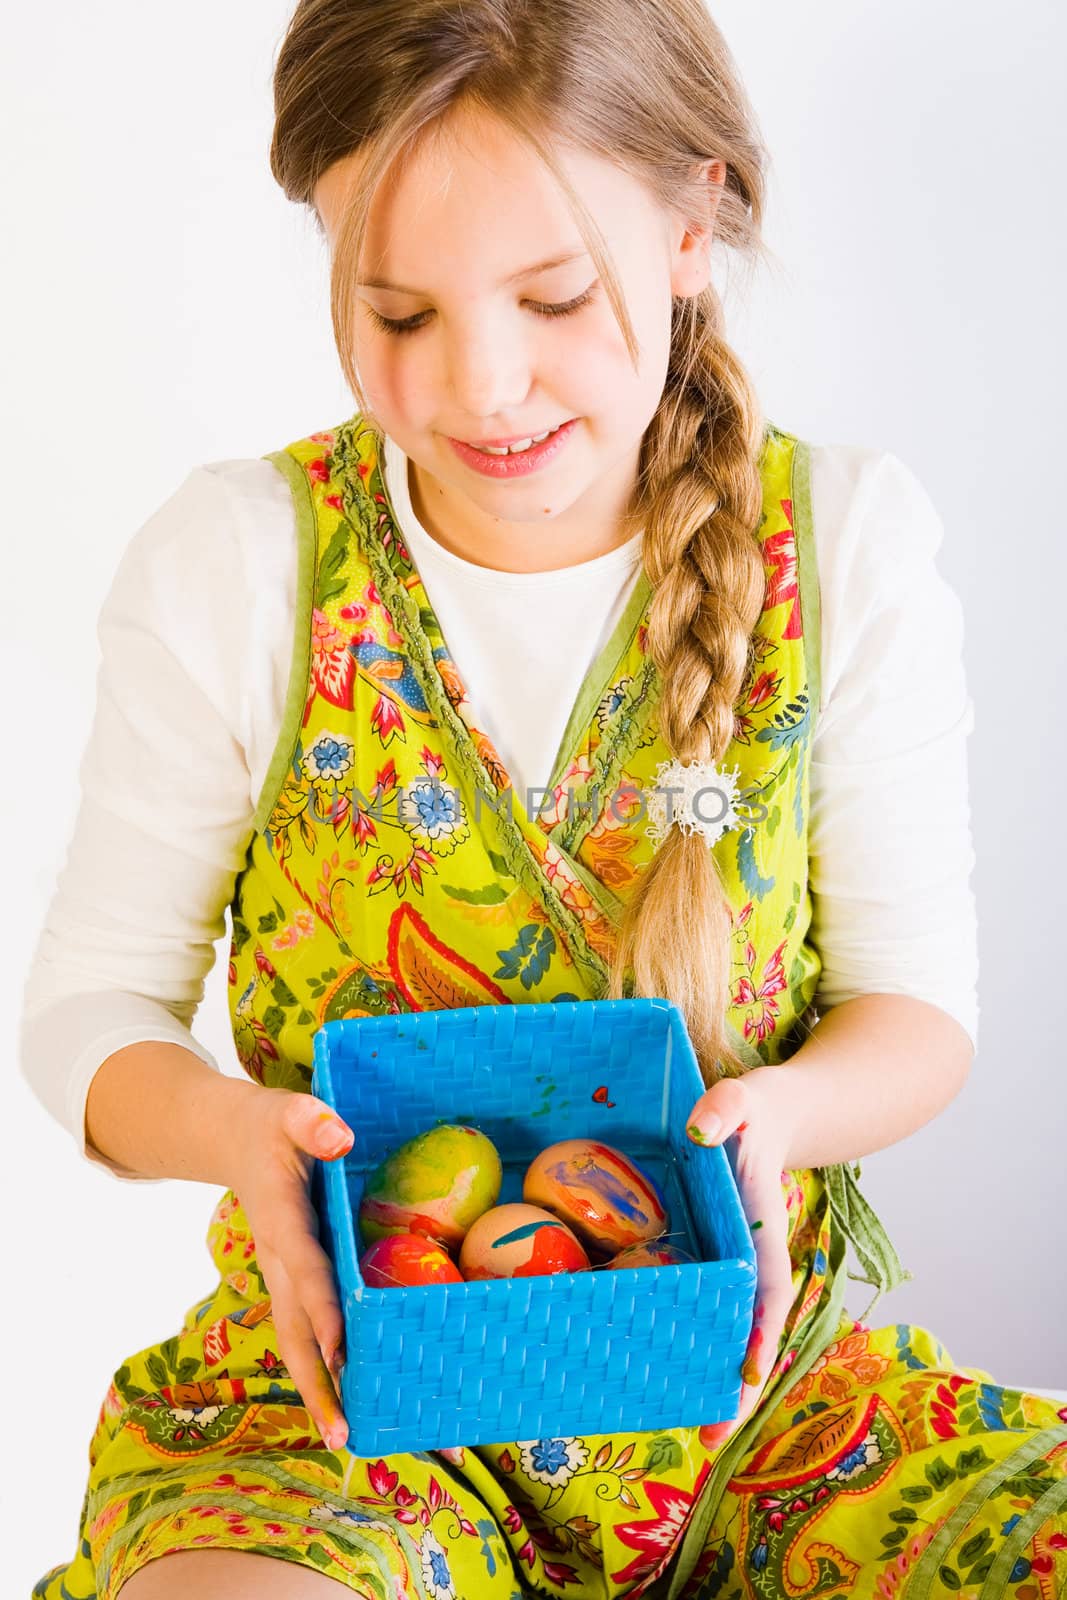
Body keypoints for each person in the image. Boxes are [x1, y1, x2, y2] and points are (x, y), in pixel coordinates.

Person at [20, 2, 1067, 1596]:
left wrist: (774, 1122)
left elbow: (916, 1013)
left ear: (695, 216)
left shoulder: (842, 545)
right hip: (344, 1417)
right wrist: (244, 1137)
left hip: (770, 1412)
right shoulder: (240, 564)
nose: (483, 388)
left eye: (553, 296)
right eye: (399, 313)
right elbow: (90, 1020)